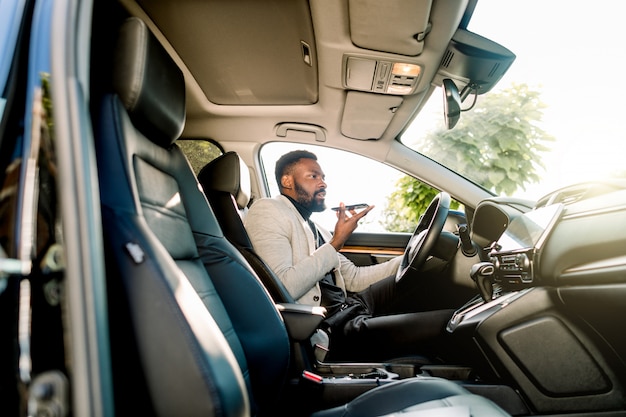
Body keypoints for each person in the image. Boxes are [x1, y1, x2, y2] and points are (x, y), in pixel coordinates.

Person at [244, 150, 453, 361]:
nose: (323, 183)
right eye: (313, 176)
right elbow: (285, 286)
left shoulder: (315, 228)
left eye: (323, 177)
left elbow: (353, 277)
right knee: (450, 322)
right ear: (287, 181)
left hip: (352, 305)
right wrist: (336, 242)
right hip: (332, 326)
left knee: (427, 278)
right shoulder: (268, 210)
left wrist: (413, 255)